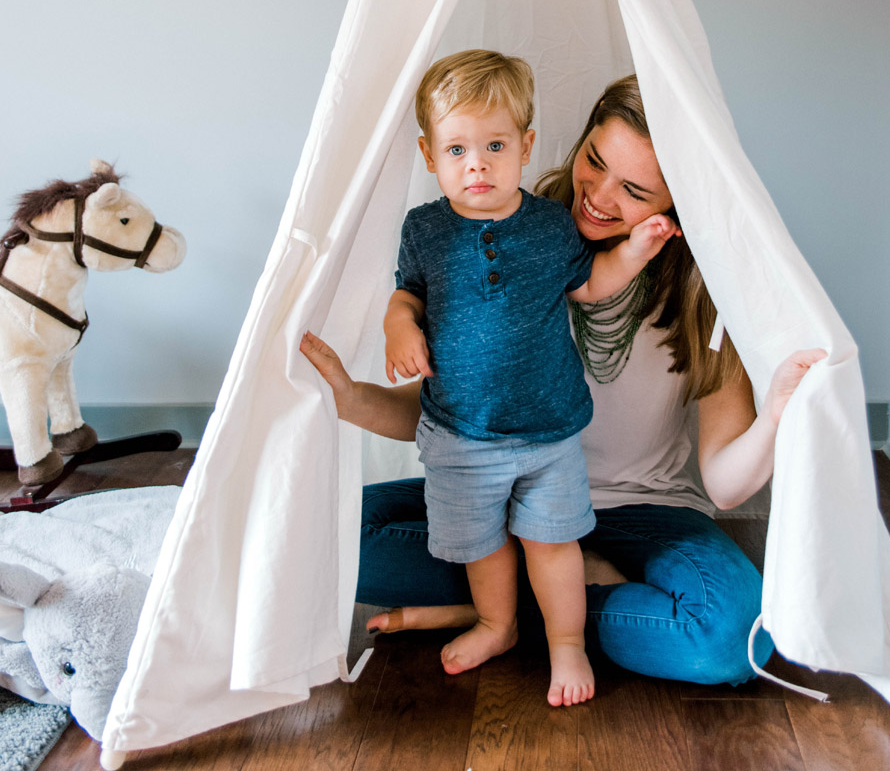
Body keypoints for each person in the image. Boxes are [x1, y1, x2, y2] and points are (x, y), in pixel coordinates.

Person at [301, 73, 826, 691]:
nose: (599, 197)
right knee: (327, 533)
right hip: (496, 491)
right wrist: (349, 397)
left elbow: (726, 485)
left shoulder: (704, 296)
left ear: (678, 205)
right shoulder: (514, 228)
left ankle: (530, 609)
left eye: (633, 190)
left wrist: (775, 417)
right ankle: (526, 600)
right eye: (594, 162)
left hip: (640, 513)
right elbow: (455, 407)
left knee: (730, 638)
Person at [382, 51, 673, 707]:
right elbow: (408, 296)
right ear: (430, 157)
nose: (477, 164)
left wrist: (633, 249)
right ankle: (498, 623)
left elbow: (591, 285)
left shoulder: (549, 226)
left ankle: (567, 642)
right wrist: (397, 328)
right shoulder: (424, 229)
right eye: (457, 149)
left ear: (526, 146)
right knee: (481, 549)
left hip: (548, 436)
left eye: (494, 145)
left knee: (553, 543)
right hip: (461, 435)